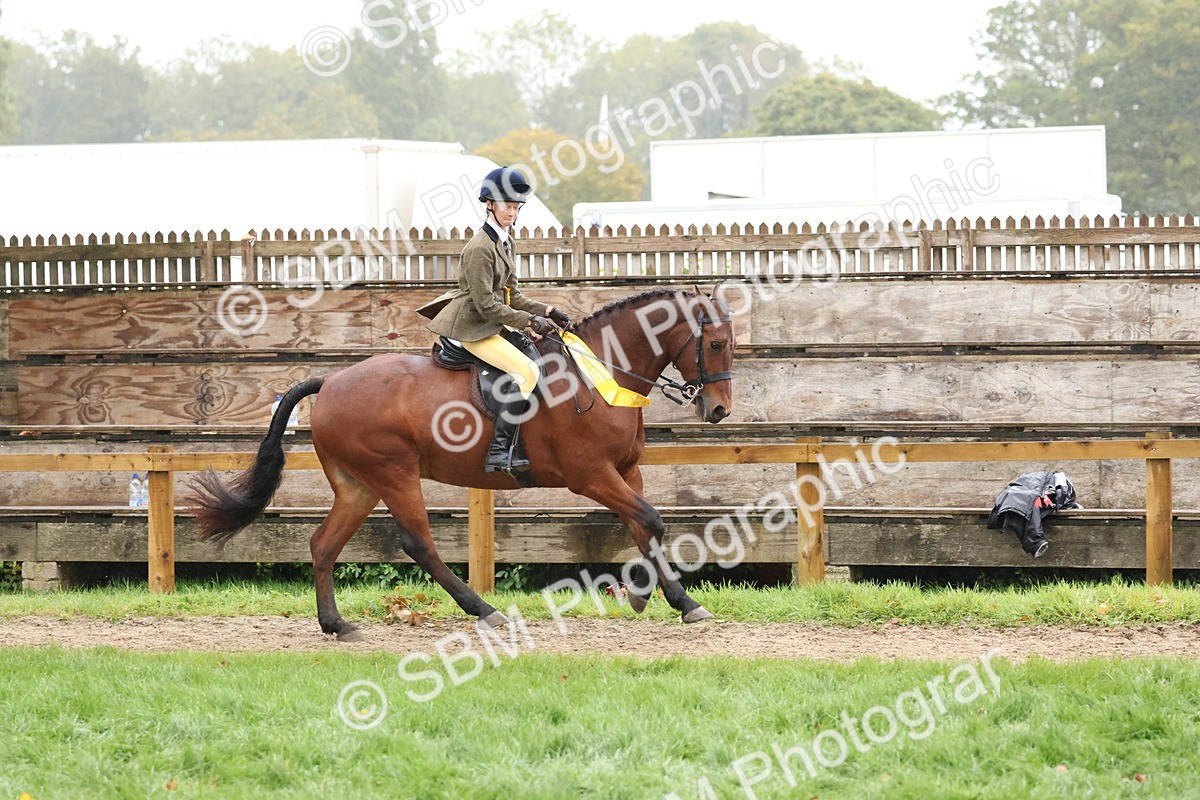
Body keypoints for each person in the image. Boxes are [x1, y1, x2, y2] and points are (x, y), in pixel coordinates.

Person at [417, 166, 573, 476]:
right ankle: (499, 452)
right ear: (489, 204)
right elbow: (487, 305)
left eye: (516, 207)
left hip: (491, 322)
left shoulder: (506, 242)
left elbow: (512, 296)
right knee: (526, 372)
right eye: (507, 206)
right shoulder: (479, 248)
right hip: (472, 327)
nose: (512, 212)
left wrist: (548, 311)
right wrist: (528, 321)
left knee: (538, 360)